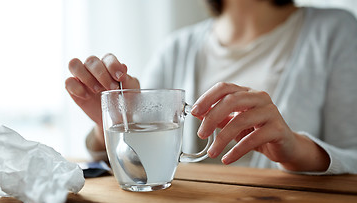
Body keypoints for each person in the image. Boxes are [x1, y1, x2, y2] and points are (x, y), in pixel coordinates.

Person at [65, 0, 357, 175]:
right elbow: (137, 162)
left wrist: (297, 150)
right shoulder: (176, 48)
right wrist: (111, 124)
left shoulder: (336, 31)